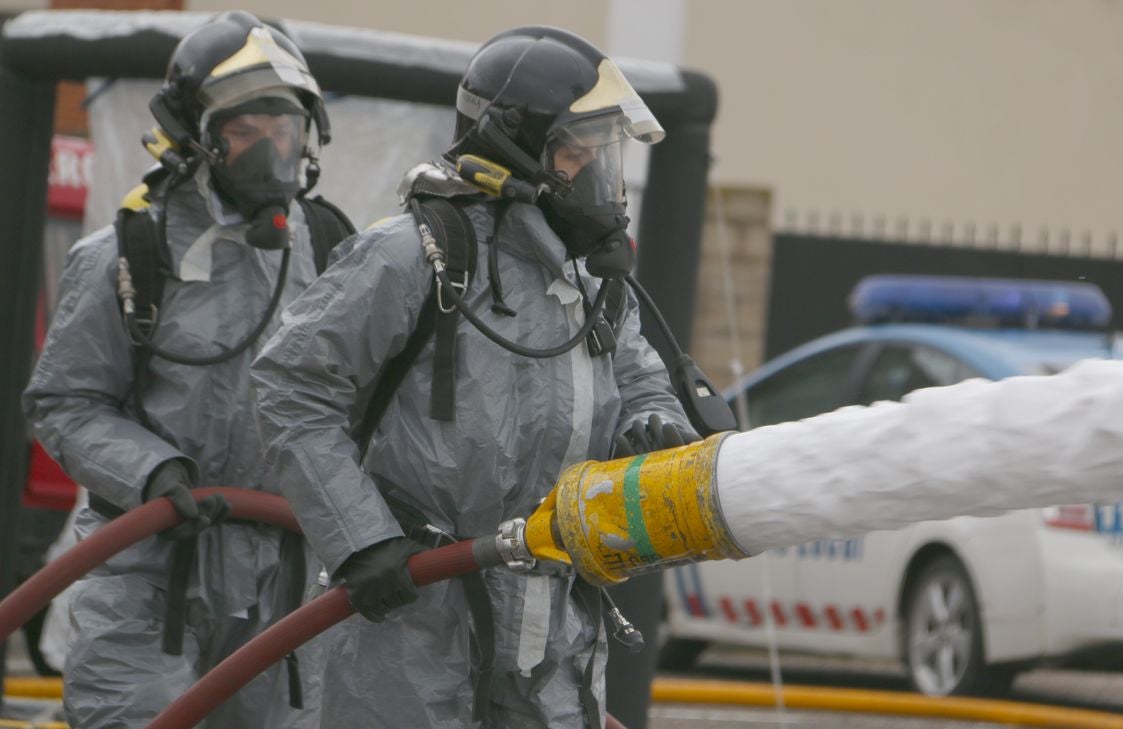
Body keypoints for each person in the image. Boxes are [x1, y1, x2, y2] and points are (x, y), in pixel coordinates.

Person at [251, 25, 696, 729]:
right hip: (414, 621)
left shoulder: (594, 283)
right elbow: (289, 385)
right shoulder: (412, 256)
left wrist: (654, 422)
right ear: (514, 149)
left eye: (602, 155)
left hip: (557, 631)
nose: (597, 177)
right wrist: (359, 537)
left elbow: (639, 379)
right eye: (575, 153)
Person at [22, 11, 352, 728]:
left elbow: (374, 406)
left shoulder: (332, 251)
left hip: (288, 586)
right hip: (150, 580)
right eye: (245, 130)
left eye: (285, 129)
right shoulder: (125, 257)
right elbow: (64, 401)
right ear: (195, 137)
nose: (271, 149)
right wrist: (153, 473)